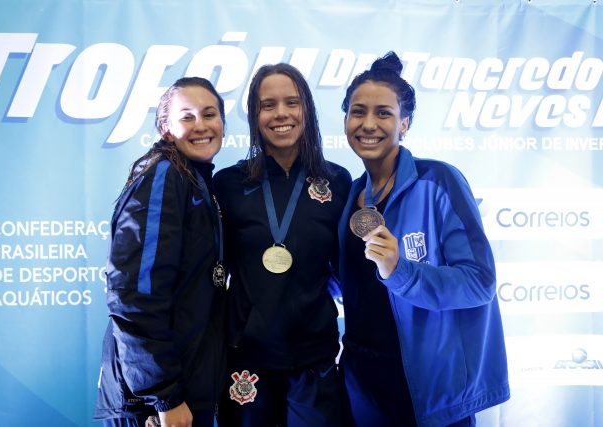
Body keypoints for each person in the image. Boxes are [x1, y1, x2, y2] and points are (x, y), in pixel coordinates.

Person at [338, 51, 510, 427]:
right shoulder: (351, 194)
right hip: (363, 386)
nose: (368, 124)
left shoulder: (439, 181)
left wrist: (400, 270)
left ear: (404, 123)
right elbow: (348, 285)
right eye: (357, 112)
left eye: (383, 113)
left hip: (429, 390)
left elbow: (480, 282)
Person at [213, 63, 352, 427]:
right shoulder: (228, 184)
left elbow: (348, 273)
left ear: (307, 108)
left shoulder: (337, 181)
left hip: (314, 360)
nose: (281, 114)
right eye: (268, 105)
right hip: (246, 360)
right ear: (254, 115)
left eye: (292, 102)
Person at [94, 77, 227, 427]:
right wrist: (164, 394)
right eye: (187, 117)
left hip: (178, 387)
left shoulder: (192, 179)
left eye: (209, 114)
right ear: (166, 128)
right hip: (152, 402)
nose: (201, 125)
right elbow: (134, 294)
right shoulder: (164, 175)